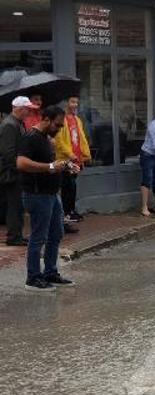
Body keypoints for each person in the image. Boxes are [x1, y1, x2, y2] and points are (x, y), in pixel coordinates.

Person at [16, 105, 79, 292]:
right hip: (37, 195)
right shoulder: (30, 138)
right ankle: (33, 278)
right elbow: (21, 163)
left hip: (52, 195)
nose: (59, 129)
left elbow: (51, 163)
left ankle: (50, 272)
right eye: (57, 125)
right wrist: (50, 167)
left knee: (56, 234)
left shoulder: (47, 139)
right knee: (39, 237)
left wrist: (66, 165)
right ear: (46, 119)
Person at [0, 96, 36, 246]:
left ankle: (16, 235)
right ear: (18, 108)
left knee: (18, 205)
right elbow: (8, 153)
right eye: (26, 109)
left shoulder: (18, 123)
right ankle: (14, 237)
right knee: (14, 205)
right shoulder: (9, 125)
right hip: (12, 172)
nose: (28, 112)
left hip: (16, 170)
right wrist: (20, 167)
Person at [54, 96, 91, 232]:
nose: (75, 104)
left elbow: (81, 138)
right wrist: (70, 154)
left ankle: (70, 212)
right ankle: (65, 215)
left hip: (76, 158)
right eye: (72, 102)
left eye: (76, 102)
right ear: (66, 103)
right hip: (66, 158)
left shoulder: (77, 120)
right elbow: (59, 140)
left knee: (72, 187)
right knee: (67, 186)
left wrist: (84, 154)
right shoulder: (61, 120)